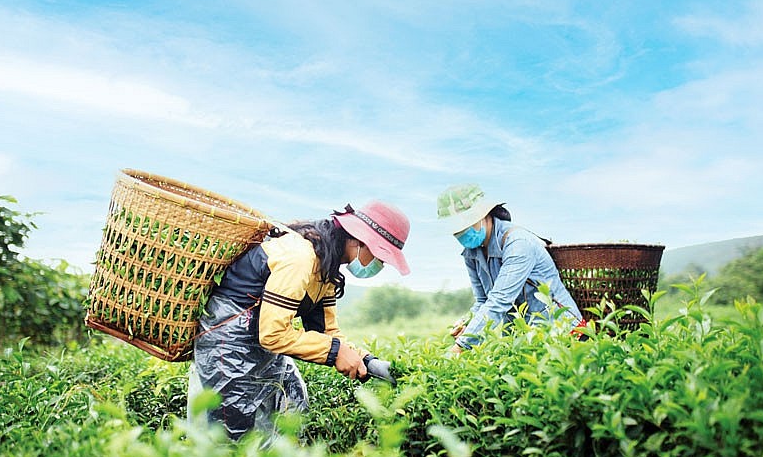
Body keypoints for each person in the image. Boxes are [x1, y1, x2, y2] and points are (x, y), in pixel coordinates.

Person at [189, 200, 410, 441]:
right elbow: (273, 334)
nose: (381, 264)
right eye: (380, 256)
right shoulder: (300, 257)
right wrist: (335, 353)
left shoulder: (326, 265)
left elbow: (326, 332)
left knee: (292, 402)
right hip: (228, 340)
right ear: (358, 240)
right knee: (232, 433)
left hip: (258, 342)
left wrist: (367, 360)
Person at [437, 184, 584, 354]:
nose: (461, 232)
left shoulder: (517, 243)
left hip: (562, 333)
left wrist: (461, 347)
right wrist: (468, 322)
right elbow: (483, 301)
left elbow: (499, 300)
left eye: (466, 223)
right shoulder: (472, 254)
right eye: (456, 228)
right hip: (524, 339)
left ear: (484, 214)